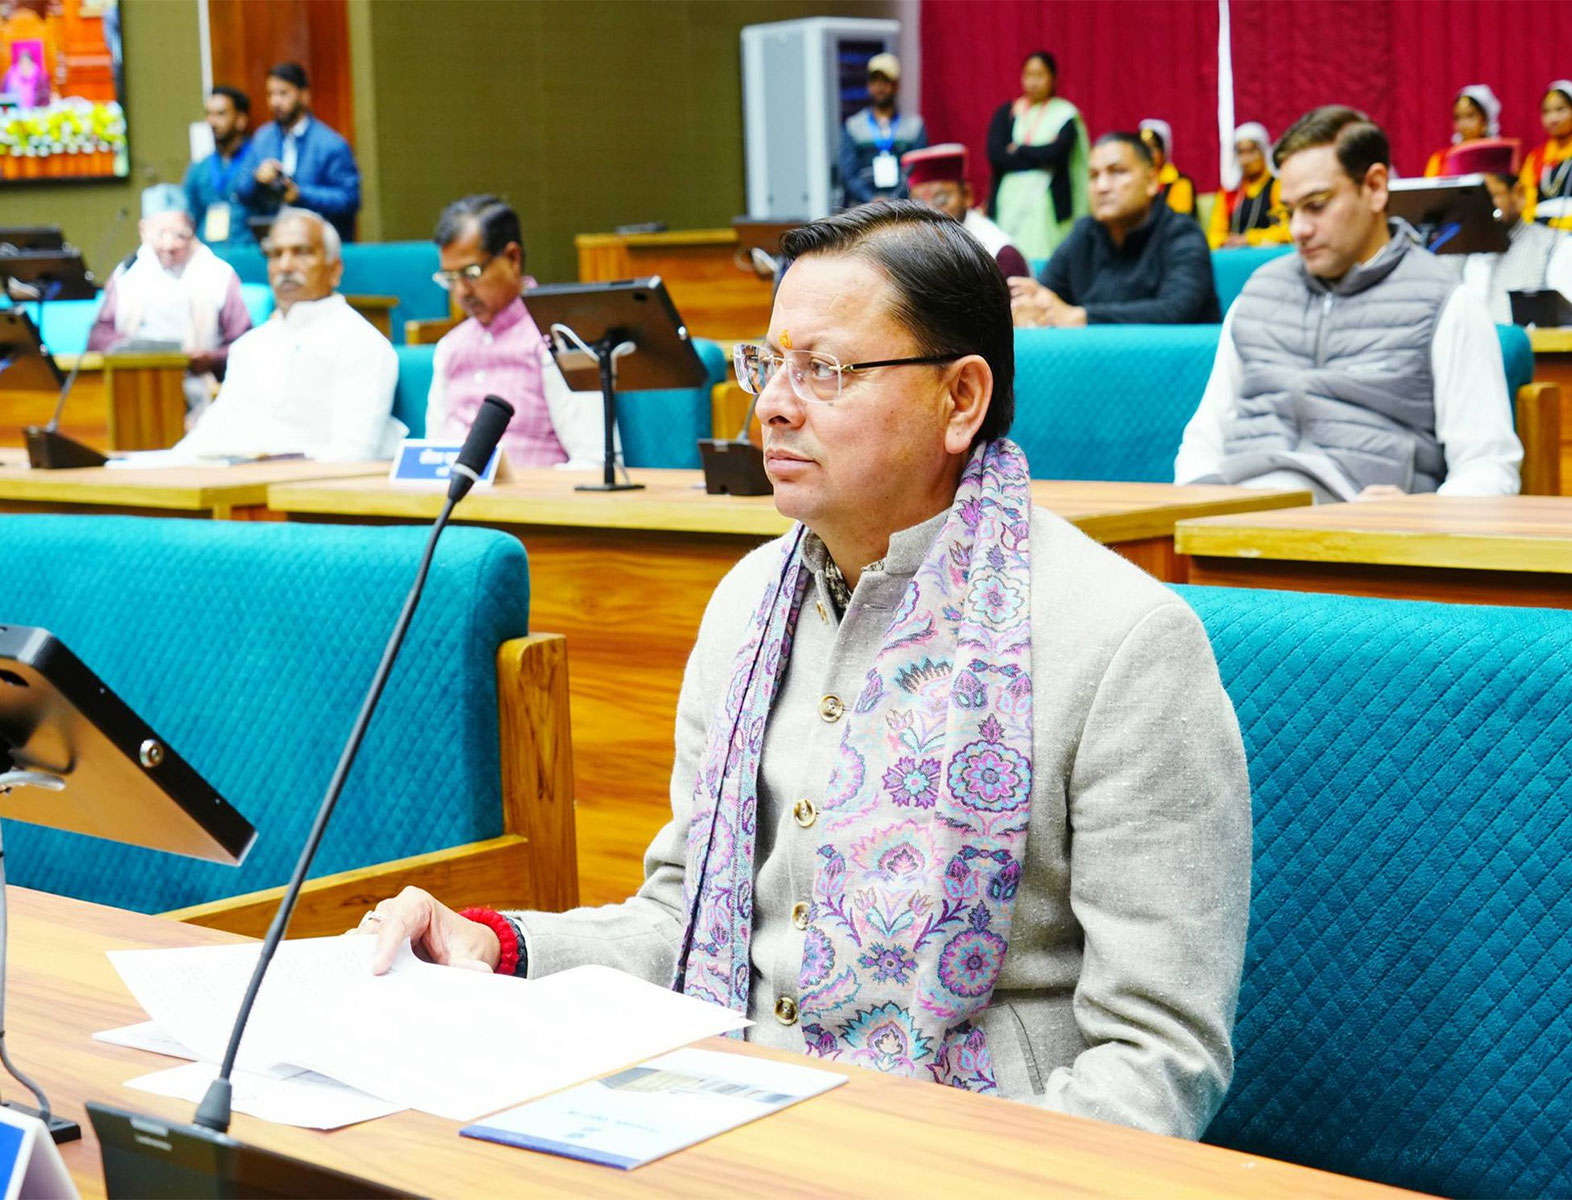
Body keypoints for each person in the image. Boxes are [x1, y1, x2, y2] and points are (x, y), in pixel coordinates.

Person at [362, 201, 1252, 1140]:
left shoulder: (1124, 642)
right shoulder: (748, 604)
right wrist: (499, 945)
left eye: (824, 369)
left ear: (962, 400)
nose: (774, 403)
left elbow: (1159, 1060)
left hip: (967, 1147)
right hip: (728, 1112)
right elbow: (685, 919)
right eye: (769, 363)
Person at [1175, 106, 1523, 502]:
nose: (1298, 230)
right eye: (1288, 211)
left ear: (1375, 187)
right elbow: (1203, 440)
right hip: (1236, 518)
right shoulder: (1257, 295)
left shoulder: (1446, 303)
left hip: (1360, 535)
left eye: (1317, 205)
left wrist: (1419, 516)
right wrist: (1195, 506)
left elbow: (1486, 468)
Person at [173, 208, 401, 461]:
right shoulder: (250, 347)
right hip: (233, 484)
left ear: (335, 270)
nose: (285, 266)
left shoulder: (361, 343)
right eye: (276, 254)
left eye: (301, 253)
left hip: (307, 491)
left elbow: (354, 454)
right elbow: (210, 433)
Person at [427, 195, 610, 469]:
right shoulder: (450, 346)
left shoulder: (561, 337)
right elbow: (431, 450)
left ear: (512, 258)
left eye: (471, 273)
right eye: (450, 279)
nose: (461, 292)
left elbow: (594, 462)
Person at [1009, 132, 1220, 327]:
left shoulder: (1182, 233)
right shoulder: (1083, 234)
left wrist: (1080, 317)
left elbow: (1176, 310)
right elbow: (1048, 296)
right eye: (1093, 175)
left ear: (1152, 181)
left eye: (1117, 172)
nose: (1102, 186)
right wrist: (1034, 304)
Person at [86, 183, 253, 411]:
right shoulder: (127, 273)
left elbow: (244, 344)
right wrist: (132, 352)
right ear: (143, 231)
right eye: (159, 234)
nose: (169, 245)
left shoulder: (218, 274)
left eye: (179, 235)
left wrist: (211, 358)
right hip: (135, 385)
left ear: (192, 228)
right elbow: (98, 335)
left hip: (200, 387)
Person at [1454, 142, 1572, 325]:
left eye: (1487, 196)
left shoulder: (1560, 249)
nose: (1476, 208)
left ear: (1519, 195)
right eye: (1464, 199)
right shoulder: (1451, 257)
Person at [235, 62, 361, 242]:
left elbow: (349, 200)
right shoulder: (263, 138)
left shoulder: (331, 144)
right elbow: (240, 190)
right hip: (272, 240)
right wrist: (257, 178)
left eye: (283, 93)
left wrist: (300, 195)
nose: (275, 102)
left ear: (304, 96)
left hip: (317, 243)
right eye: (270, 94)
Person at [986, 51, 1089, 261]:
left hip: (1047, 201)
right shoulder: (1008, 112)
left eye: (1040, 75)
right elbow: (996, 154)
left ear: (1053, 78)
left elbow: (1057, 153)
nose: (1033, 82)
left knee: (1045, 257)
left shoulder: (1064, 114)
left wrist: (1021, 150)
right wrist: (1039, 154)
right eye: (1028, 75)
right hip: (1009, 198)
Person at [901, 142, 1030, 278]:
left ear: (967, 195)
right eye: (918, 203)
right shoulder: (909, 248)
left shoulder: (1000, 255)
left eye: (941, 200)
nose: (930, 210)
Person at [838, 53, 927, 207]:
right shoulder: (853, 126)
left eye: (885, 81)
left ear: (896, 85)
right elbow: (848, 174)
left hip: (903, 209)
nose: (879, 87)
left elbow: (917, 172)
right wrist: (871, 199)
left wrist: (893, 201)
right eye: (874, 81)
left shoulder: (914, 127)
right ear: (868, 85)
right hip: (861, 210)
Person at [1518, 80, 1572, 233]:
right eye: (1546, 111)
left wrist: (1553, 225)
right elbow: (1524, 205)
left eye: (1560, 110)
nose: (1553, 118)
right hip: (1537, 234)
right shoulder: (1536, 158)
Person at [182, 85, 256, 247]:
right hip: (208, 255)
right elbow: (188, 215)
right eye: (209, 114)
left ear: (240, 120)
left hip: (247, 251)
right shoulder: (199, 168)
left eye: (221, 114)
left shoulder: (257, 163)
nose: (212, 122)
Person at [1207, 123, 1289, 249]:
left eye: (1251, 151)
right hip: (1234, 255)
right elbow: (1214, 235)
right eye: (1240, 152)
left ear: (1264, 152)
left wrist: (1248, 239)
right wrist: (1225, 241)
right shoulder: (1230, 190)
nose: (1246, 160)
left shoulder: (1277, 185)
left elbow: (1287, 230)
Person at [1422, 85, 1501, 178]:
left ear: (1485, 121)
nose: (1463, 123)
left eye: (1470, 116)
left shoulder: (1499, 159)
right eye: (1458, 117)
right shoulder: (1440, 159)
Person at [1138, 118, 1195, 217]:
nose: (1147, 154)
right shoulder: (1134, 181)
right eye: (1143, 148)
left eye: (1152, 147)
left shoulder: (1180, 183)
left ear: (1163, 151)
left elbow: (1179, 223)